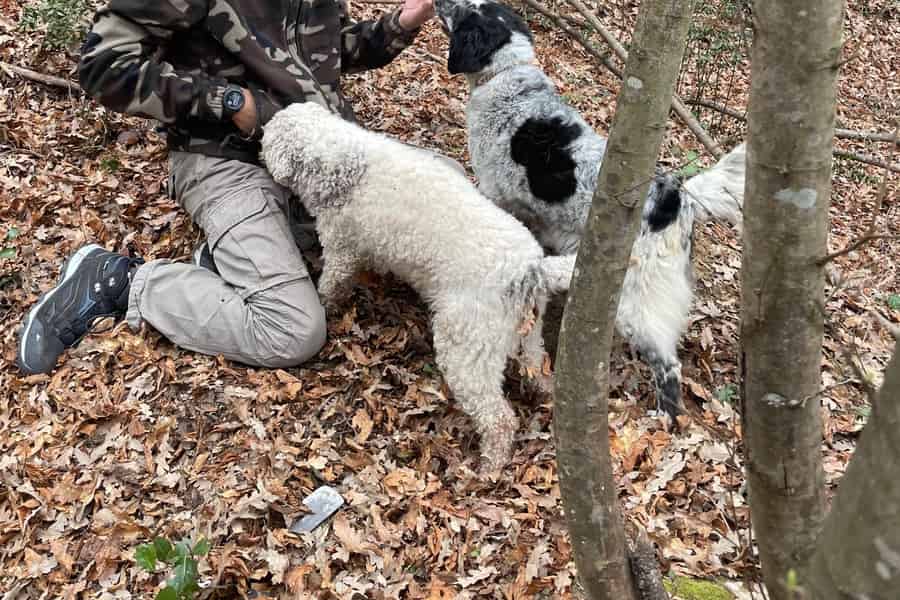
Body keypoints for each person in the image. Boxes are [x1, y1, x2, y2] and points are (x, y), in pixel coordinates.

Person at [17, 0, 437, 375]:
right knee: (291, 329)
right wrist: (229, 102)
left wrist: (399, 24)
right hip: (225, 158)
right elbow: (103, 65)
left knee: (440, 182)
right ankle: (118, 281)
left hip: (316, 154)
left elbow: (325, 53)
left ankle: (239, 254)